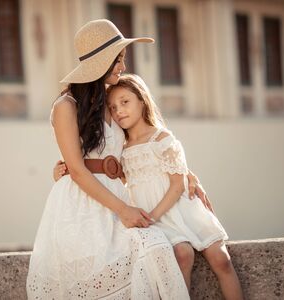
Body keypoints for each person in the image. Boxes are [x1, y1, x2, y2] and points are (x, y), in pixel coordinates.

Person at [26, 19, 190, 299]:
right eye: (118, 60)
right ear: (102, 61)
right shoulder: (66, 106)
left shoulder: (110, 102)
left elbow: (139, 148)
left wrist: (187, 175)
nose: (123, 67)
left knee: (159, 249)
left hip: (117, 196)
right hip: (81, 204)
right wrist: (123, 210)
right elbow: (77, 170)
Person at [107, 74, 243, 299]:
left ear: (142, 100)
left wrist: (152, 216)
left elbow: (178, 185)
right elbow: (115, 178)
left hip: (180, 210)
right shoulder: (120, 149)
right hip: (154, 221)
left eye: (124, 102)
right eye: (112, 107)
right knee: (182, 253)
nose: (118, 110)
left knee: (222, 260)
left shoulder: (162, 138)